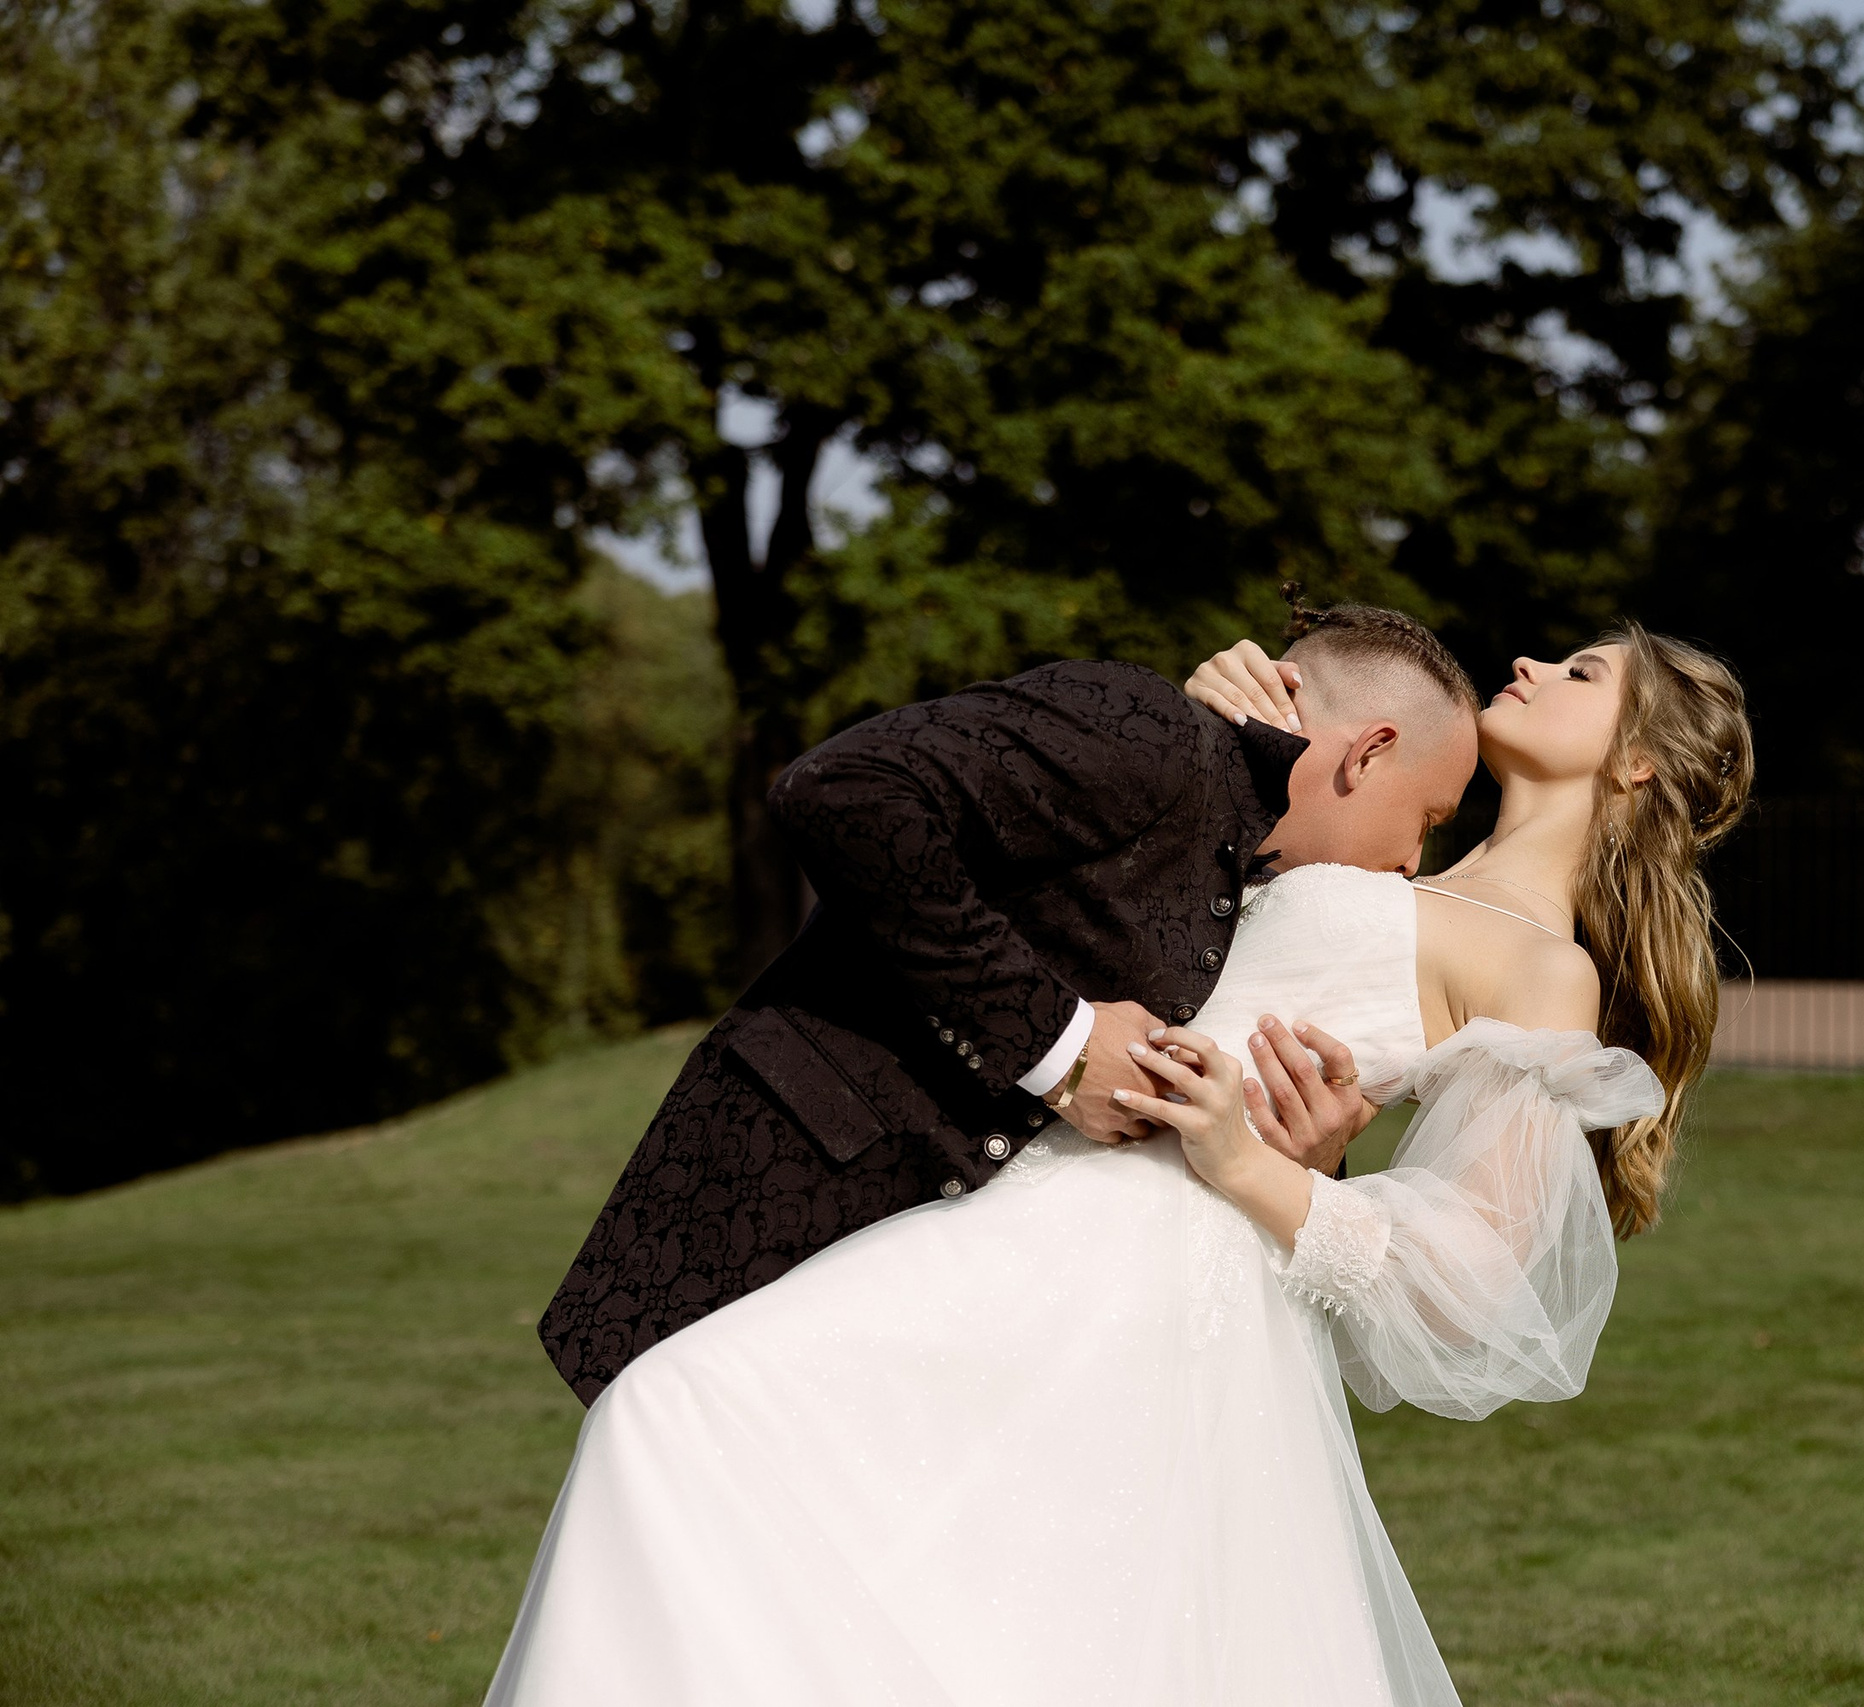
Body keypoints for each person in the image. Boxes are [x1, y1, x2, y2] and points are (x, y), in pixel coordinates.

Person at [484, 618, 1754, 1707]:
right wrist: (1231, 740)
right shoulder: (1355, 825)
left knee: (690, 1417)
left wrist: (1254, 1164)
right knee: (833, 1529)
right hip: (1021, 1206)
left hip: (1146, 1273)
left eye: (1584, 673)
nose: (1533, 660)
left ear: (1638, 762)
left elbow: (1478, 1279)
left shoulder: (1542, 964)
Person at [538, 605, 1481, 1403]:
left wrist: (1311, 1151)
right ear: (1371, 751)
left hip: (926, 1290)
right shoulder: (1149, 731)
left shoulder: (1249, 865)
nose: (1412, 863)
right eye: (1429, 821)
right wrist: (1061, 1045)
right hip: (780, 1193)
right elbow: (845, 793)